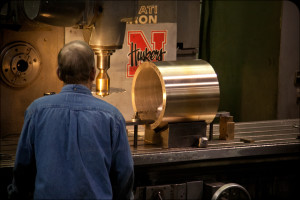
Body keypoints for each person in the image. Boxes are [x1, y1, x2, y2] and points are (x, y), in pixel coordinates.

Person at [8, 40, 134, 199]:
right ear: (93, 73)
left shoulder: (36, 111)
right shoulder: (112, 117)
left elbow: (22, 169)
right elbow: (124, 171)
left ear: (59, 73)